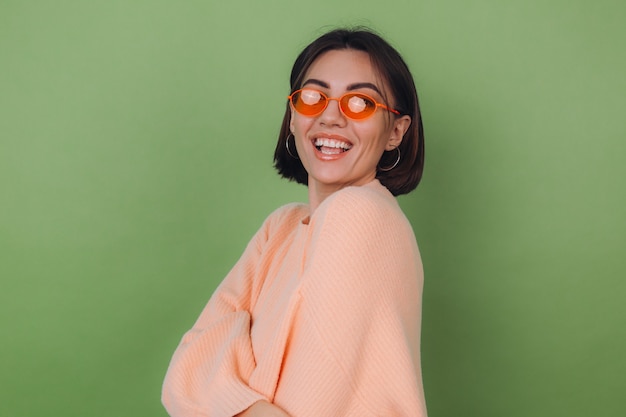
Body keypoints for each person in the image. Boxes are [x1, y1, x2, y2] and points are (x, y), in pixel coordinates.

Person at [162, 27, 427, 417]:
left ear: (396, 132)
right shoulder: (281, 227)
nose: (331, 116)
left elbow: (311, 396)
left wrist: (233, 380)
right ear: (292, 118)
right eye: (313, 97)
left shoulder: (363, 216)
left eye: (360, 103)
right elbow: (184, 374)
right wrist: (257, 402)